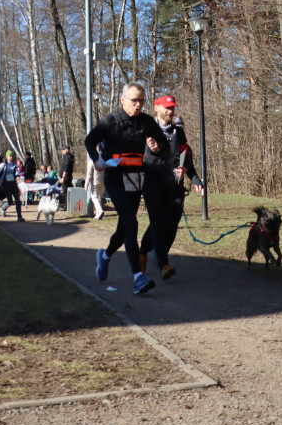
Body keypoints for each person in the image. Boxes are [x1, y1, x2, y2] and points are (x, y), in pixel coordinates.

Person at [85, 82, 172, 295]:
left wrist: (157, 146)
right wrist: (97, 160)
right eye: (134, 101)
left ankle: (104, 256)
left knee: (124, 227)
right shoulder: (110, 121)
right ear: (123, 100)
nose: (138, 105)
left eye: (141, 101)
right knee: (131, 222)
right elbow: (89, 141)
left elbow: (164, 145)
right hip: (115, 177)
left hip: (136, 178)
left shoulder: (146, 121)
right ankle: (137, 277)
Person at [138, 95, 204, 277]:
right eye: (167, 107)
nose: (170, 111)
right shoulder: (146, 130)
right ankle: (163, 264)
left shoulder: (178, 132)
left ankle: (144, 252)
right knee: (158, 222)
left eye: (172, 107)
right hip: (153, 183)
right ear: (156, 108)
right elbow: (141, 158)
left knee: (171, 224)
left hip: (174, 186)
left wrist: (194, 178)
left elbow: (183, 158)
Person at [0, 150, 25, 221]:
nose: (11, 157)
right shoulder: (3, 165)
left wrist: (17, 176)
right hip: (6, 185)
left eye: (12, 156)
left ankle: (19, 216)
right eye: (10, 156)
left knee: (17, 200)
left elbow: (17, 172)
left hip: (13, 184)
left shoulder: (14, 165)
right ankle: (3, 208)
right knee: (10, 201)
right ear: (7, 157)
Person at [84, 154, 106, 220]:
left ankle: (100, 210)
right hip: (103, 182)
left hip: (95, 182)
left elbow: (89, 175)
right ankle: (98, 214)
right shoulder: (103, 161)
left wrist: (86, 185)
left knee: (94, 198)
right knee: (99, 198)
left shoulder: (91, 162)